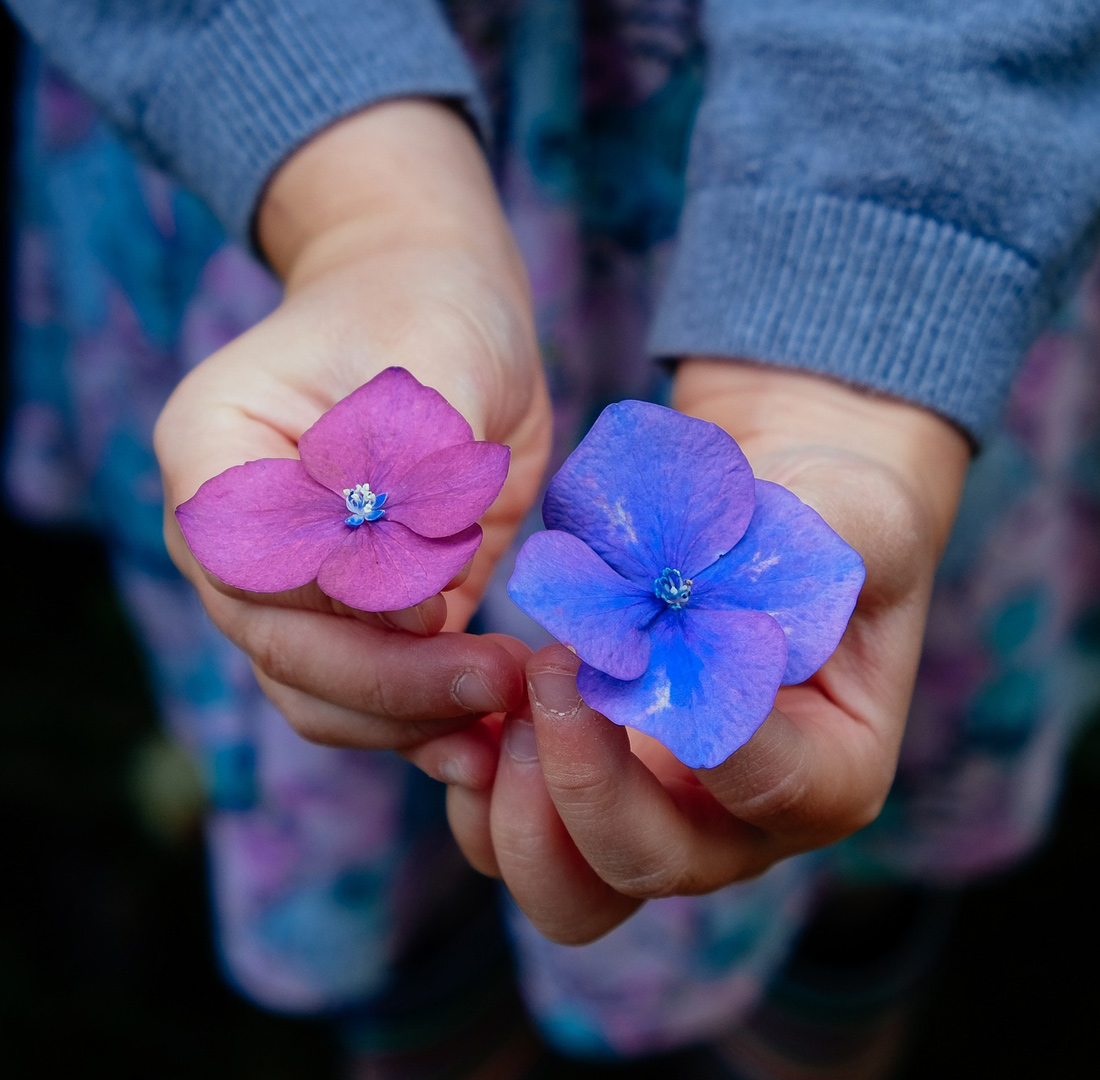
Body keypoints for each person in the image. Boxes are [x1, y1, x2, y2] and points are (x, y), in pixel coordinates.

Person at [4, 2, 1100, 1077]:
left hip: (882, 227)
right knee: (411, 808)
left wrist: (850, 371)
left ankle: (817, 1007)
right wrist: (364, 216)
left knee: (840, 846)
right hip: (300, 153)